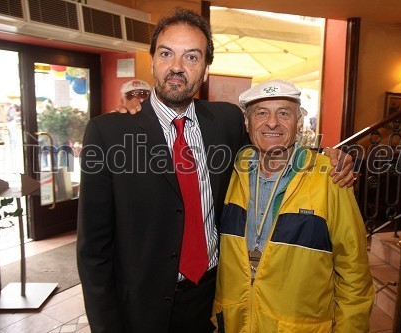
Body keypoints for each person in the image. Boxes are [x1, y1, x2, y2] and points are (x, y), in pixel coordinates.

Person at [77, 9, 355, 333]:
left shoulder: (226, 121)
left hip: (209, 304)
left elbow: (272, 148)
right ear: (152, 60)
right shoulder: (108, 133)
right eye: (167, 53)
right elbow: (93, 251)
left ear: (206, 70)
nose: (177, 67)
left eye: (191, 57)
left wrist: (327, 160)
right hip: (138, 310)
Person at [212, 79, 374, 332]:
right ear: (247, 122)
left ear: (299, 124)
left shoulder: (329, 177)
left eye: (284, 113)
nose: (272, 122)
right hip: (235, 323)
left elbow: (354, 273)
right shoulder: (229, 171)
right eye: (262, 113)